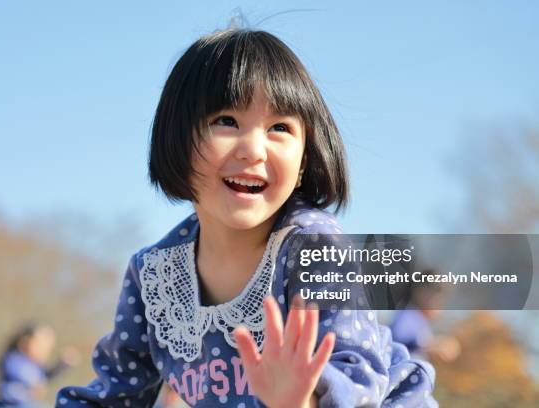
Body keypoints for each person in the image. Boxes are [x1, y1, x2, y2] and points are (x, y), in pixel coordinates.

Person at [55, 28, 437, 407]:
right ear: (176, 140)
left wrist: (300, 400)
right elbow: (115, 394)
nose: (254, 150)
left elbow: (358, 378)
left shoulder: (316, 246)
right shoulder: (153, 275)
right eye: (226, 120)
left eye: (280, 128)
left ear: (305, 160)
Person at [0, 323, 80, 407]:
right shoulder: (13, 359)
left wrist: (62, 365)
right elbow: (19, 373)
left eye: (48, 347)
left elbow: (46, 376)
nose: (45, 351)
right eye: (41, 345)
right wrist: (33, 384)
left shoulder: (36, 367)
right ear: (24, 342)